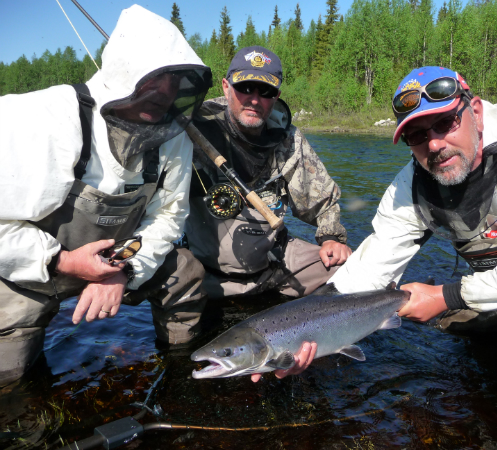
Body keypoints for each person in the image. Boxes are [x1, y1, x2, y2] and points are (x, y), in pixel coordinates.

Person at [330, 66, 497, 422]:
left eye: (445, 124)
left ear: (474, 111)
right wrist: (315, 324)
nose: (434, 144)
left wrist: (445, 296)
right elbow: (372, 265)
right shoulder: (410, 183)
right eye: (416, 135)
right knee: (407, 306)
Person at [0, 5, 212, 386]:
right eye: (156, 76)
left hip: (116, 263)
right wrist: (62, 261)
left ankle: (183, 377)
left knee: (185, 273)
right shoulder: (41, 118)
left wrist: (125, 271)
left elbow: (168, 217)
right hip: (28, 270)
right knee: (11, 383)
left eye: (175, 79)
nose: (165, 92)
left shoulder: (173, 133)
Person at [184, 46, 352, 379]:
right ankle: (175, 354)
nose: (254, 98)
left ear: (276, 96)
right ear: (226, 86)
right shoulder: (191, 129)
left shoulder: (287, 139)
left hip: (272, 262)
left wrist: (332, 235)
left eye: (266, 91)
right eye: (245, 87)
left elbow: (321, 200)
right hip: (208, 275)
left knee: (348, 271)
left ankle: (328, 344)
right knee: (169, 277)